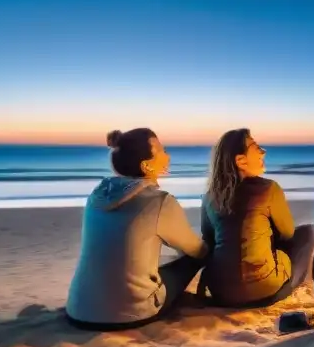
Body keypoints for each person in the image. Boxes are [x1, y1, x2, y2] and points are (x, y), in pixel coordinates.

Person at [65, 129, 208, 330]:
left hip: (78, 310)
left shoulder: (96, 197)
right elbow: (195, 250)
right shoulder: (160, 202)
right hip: (129, 314)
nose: (168, 156)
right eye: (161, 150)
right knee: (194, 259)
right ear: (146, 165)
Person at [200, 129, 314, 308]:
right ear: (241, 161)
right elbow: (287, 233)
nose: (263, 152)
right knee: (308, 232)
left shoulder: (210, 197)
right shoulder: (268, 189)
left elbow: (208, 241)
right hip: (264, 289)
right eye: (256, 147)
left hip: (221, 292)